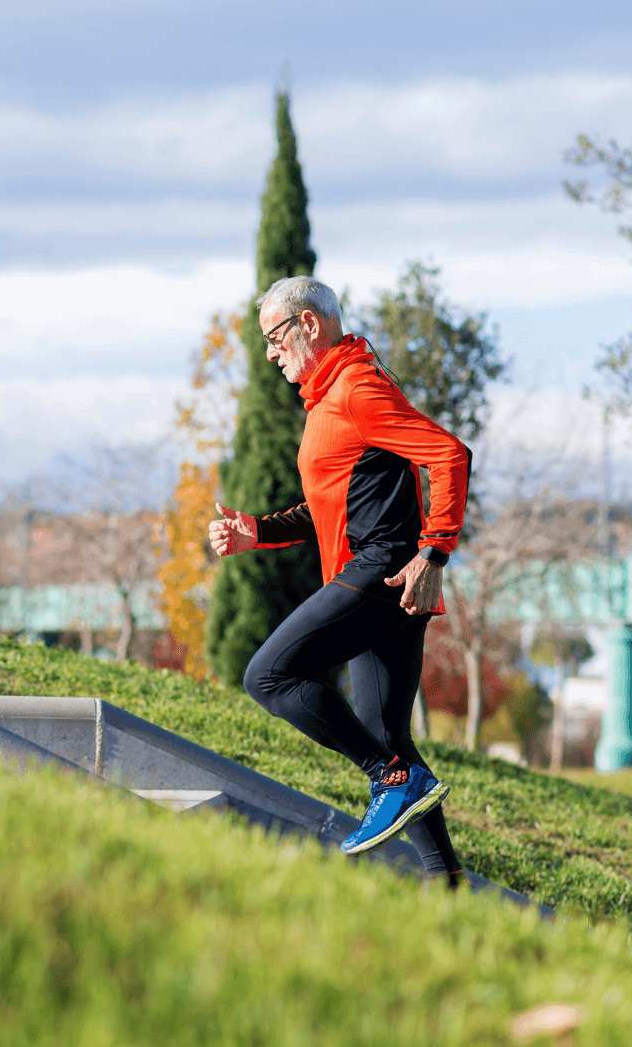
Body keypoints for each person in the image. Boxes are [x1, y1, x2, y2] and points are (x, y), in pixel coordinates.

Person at [209, 276, 472, 885]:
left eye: (275, 338)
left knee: (268, 675)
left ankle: (390, 781)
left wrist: (434, 553)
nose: (270, 353)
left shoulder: (356, 387)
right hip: (384, 580)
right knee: (387, 737)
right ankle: (448, 886)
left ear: (309, 325)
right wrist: (259, 532)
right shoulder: (329, 398)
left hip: (381, 575)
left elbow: (448, 454)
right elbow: (332, 502)